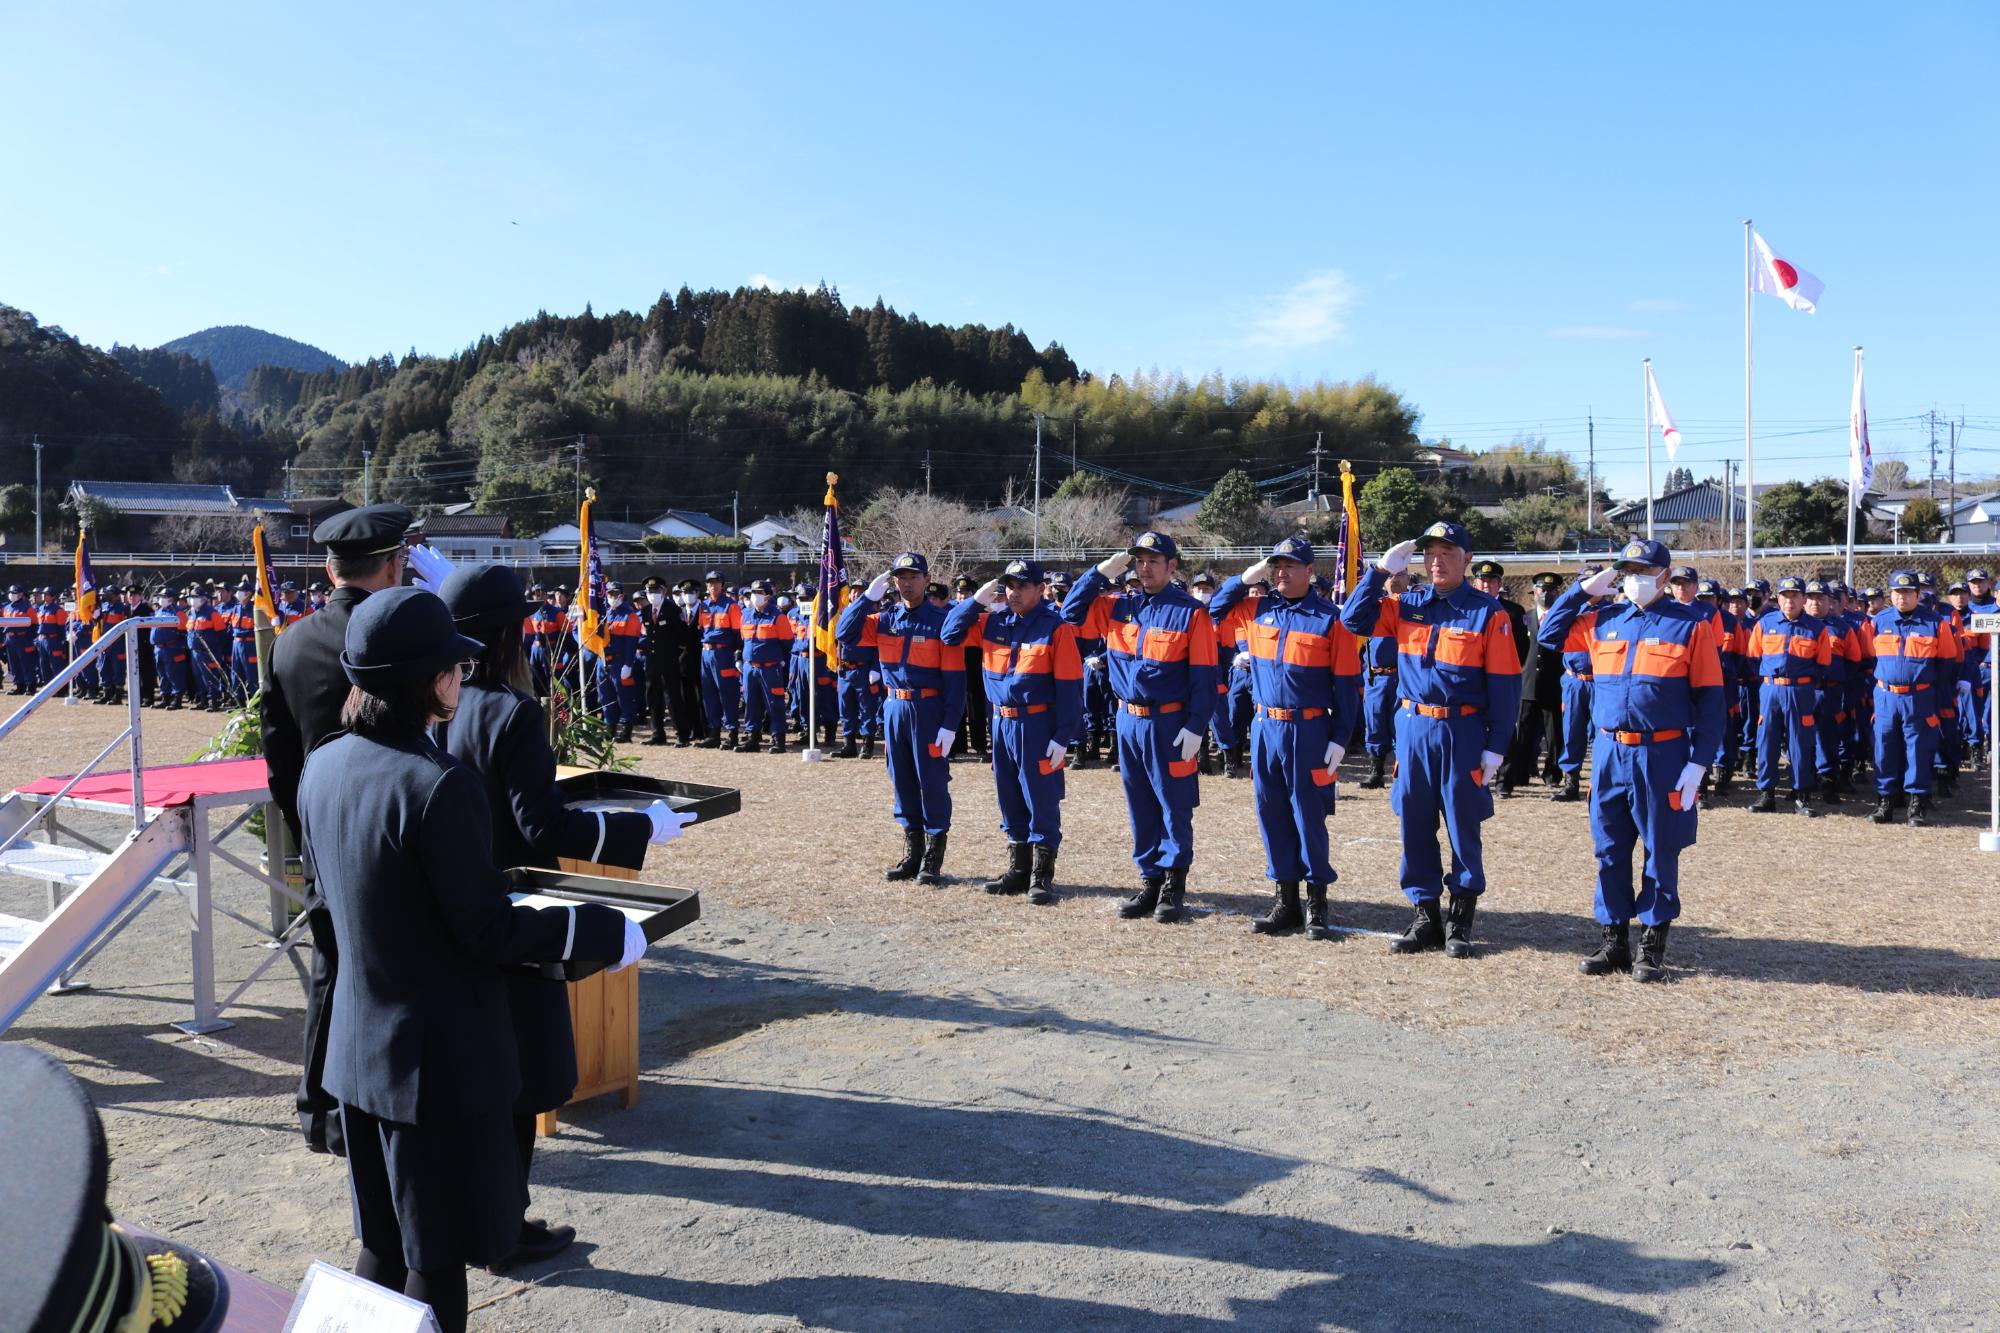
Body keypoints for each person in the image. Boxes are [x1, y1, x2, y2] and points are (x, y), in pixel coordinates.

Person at [298, 586, 645, 1333]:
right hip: (433, 1069)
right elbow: (486, 930)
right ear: (427, 679)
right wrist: (601, 932)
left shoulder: (325, 763)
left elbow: (332, 907)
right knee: (435, 1258)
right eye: (451, 665)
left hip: (358, 1055)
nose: (462, 674)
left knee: (382, 1247)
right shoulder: (436, 784)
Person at [434, 564, 693, 1271]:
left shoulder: (440, 704)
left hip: (454, 912)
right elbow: (541, 825)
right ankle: (505, 1226)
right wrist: (643, 828)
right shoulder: (511, 710)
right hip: (517, 912)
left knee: (478, 1078)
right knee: (516, 1083)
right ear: (511, 633)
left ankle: (477, 1216)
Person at [261, 502, 416, 1157]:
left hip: (321, 835)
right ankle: (387, 1106)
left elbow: (278, 761)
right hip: (394, 835)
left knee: (332, 967)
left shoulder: (291, 641)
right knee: (399, 974)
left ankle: (317, 1107)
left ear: (329, 567)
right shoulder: (402, 636)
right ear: (394, 563)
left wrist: (305, 835)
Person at [1536, 541, 1726, 981]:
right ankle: (1614, 939)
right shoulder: (1603, 620)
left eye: (1643, 570)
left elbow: (1711, 701)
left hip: (1661, 752)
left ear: (1663, 576)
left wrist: (1698, 764)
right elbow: (1549, 634)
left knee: (1661, 848)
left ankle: (1652, 943)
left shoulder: (1691, 626)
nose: (1633, 577)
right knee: (1609, 847)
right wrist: (1584, 590)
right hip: (1608, 751)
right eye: (1627, 570)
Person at [1340, 520, 1521, 957]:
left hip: (1461, 730)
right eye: (1431, 554)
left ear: (1467, 560)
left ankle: (1460, 919)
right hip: (1414, 728)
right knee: (1415, 823)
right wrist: (1380, 572)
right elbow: (1352, 620)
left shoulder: (1487, 613)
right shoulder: (1407, 605)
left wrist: (1496, 746)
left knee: (1462, 825)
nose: (1437, 561)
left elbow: (1505, 686)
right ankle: (1425, 914)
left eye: (1448, 553)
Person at [1061, 532, 1219, 922]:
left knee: (1173, 805)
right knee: (1140, 806)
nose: (1144, 568)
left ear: (1172, 566)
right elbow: (1069, 612)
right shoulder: (1117, 607)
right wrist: (1098, 573)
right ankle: (1149, 879)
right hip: (1127, 720)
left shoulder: (1189, 612)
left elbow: (1204, 674)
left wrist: (1197, 725)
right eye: (1139, 561)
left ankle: (1172, 885)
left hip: (1169, 722)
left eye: (1154, 561)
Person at [1209, 537, 1362, 939]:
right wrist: (1244, 578)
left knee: (1308, 816)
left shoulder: (1332, 619)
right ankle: (1286, 900)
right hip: (1264, 727)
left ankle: (1317, 903)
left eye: (1290, 566)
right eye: (1275, 565)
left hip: (1308, 728)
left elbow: (1347, 685)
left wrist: (1340, 737)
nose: (1280, 572)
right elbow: (1213, 609)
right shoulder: (1257, 608)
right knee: (1271, 812)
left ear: (1310, 572)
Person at [941, 559, 1084, 904]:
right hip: (1001, 723)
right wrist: (976, 601)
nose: (1014, 592)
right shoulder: (992, 622)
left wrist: (1063, 736)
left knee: (1040, 798)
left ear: (1040, 589)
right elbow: (949, 634)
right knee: (1009, 796)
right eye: (1009, 585)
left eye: (1022, 586)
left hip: (1037, 724)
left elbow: (1070, 687)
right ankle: (1018, 871)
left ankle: (1041, 876)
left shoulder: (1055, 628)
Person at [839, 551, 966, 882]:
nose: (906, 583)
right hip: (894, 707)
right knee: (902, 781)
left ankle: (932, 859)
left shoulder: (942, 621)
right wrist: (867, 600)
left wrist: (950, 724)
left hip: (928, 709)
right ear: (892, 582)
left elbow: (955, 680)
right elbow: (844, 633)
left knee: (932, 782)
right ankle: (912, 854)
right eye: (900, 577)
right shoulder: (884, 619)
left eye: (913, 577)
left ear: (926, 580)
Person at [1865, 568, 1963, 826]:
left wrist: (1924, 685)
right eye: (1897, 592)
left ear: (1918, 595)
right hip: (1886, 696)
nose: (1902, 597)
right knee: (1884, 748)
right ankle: (1885, 801)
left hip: (1919, 697)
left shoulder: (1935, 623)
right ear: (1890, 594)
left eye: (1908, 593)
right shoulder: (1878, 621)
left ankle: (1916, 804)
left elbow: (1947, 663)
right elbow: (1868, 656)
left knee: (1918, 749)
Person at [1743, 575, 1835, 815]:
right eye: (1785, 596)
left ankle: (1802, 795)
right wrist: (1770, 679)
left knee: (1800, 742)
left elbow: (1824, 663)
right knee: (1767, 741)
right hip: (1771, 689)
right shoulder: (1764, 623)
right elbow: (1753, 658)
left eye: (1795, 596)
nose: (1790, 601)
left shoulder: (1816, 628)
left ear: (1804, 599)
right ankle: (1767, 794)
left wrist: (1802, 682)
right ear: (1778, 598)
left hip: (1801, 691)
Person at [1500, 571, 1565, 794]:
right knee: (1521, 733)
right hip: (1526, 683)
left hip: (1554, 683)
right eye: (1542, 590)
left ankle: (1552, 773)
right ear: (1534, 592)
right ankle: (1518, 772)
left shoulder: (1563, 618)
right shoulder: (1524, 617)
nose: (1546, 594)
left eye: (1551, 591)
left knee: (1554, 734)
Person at [737, 577, 794, 753]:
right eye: (753, 593)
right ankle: (753, 738)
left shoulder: (778, 616)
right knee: (751, 704)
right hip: (749, 668)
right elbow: (743, 640)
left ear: (768, 596)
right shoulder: (745, 615)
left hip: (770, 667)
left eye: (760, 593)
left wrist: (782, 664)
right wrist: (740, 658)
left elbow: (787, 643)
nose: (755, 596)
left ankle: (778, 739)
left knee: (774, 704)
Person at [694, 570, 744, 748]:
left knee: (727, 694)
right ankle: (713, 733)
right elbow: (702, 629)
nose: (713, 585)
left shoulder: (732, 606)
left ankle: (732, 734)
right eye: (710, 583)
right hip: (706, 653)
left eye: (716, 582)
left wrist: (737, 655)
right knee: (709, 695)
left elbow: (739, 634)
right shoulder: (704, 605)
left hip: (723, 654)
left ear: (722, 585)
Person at [834, 576, 882, 761]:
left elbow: (881, 645)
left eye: (861, 591)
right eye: (854, 591)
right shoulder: (844, 613)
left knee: (867, 709)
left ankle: (867, 745)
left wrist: (876, 668)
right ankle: (849, 745)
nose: (856, 593)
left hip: (864, 669)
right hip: (845, 669)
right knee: (846, 709)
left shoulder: (873, 616)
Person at [599, 581, 646, 743]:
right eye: (610, 594)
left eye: (615, 594)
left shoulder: (629, 615)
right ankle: (609, 727)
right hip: (603, 661)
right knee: (605, 696)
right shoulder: (603, 613)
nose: (612, 597)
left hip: (620, 661)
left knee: (624, 697)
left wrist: (628, 664)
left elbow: (631, 643)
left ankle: (626, 730)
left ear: (622, 595)